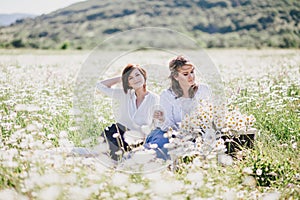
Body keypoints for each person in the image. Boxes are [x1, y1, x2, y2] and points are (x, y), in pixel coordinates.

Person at [144, 55, 212, 159]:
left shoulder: (204, 90)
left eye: (192, 72)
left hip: (197, 134)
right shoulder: (167, 95)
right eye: (185, 74)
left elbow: (209, 115)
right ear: (176, 76)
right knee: (162, 148)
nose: (191, 76)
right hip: (167, 133)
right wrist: (183, 136)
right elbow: (167, 125)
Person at [96, 64, 159, 160]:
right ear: (128, 83)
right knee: (101, 158)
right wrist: (122, 78)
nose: (135, 79)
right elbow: (100, 86)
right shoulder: (125, 94)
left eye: (138, 75)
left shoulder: (154, 99)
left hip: (138, 141)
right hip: (117, 136)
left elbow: (156, 124)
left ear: (144, 77)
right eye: (130, 78)